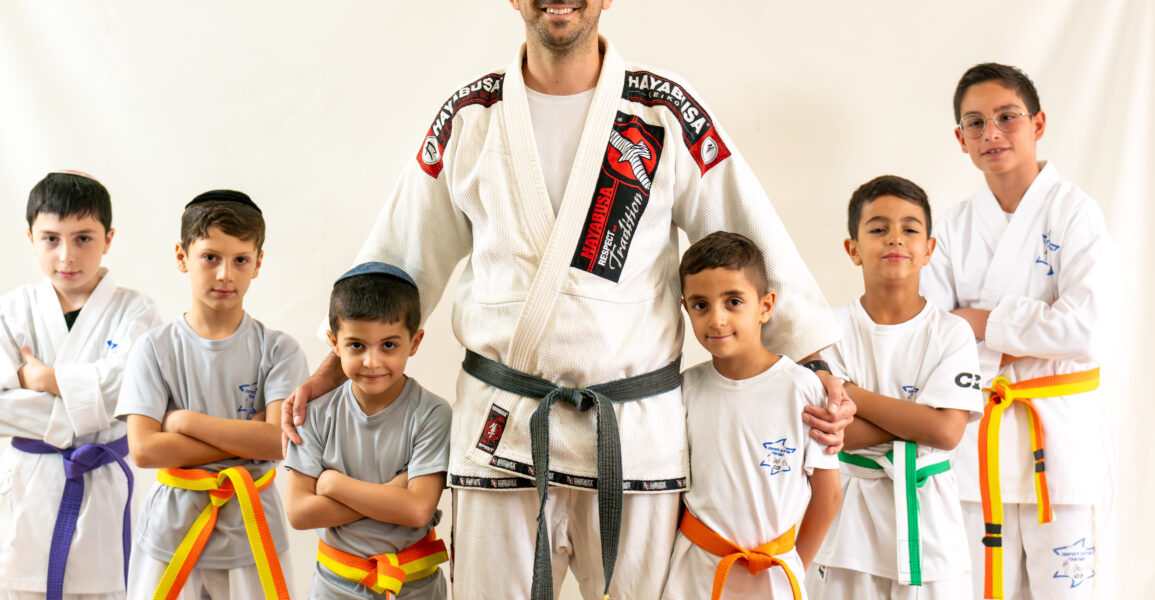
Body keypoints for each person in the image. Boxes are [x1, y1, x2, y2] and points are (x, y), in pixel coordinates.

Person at [282, 2, 853, 597]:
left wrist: (814, 363)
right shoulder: (471, 116)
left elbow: (751, 241)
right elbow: (401, 255)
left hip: (632, 435)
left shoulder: (662, 111)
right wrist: (333, 368)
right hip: (503, 428)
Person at [921, 63, 1114, 599]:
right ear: (960, 138)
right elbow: (933, 339)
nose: (992, 133)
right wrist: (1027, 334)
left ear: (1038, 124)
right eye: (976, 123)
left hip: (1061, 441)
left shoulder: (1076, 213)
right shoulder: (951, 227)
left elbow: (1085, 329)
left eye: (1007, 117)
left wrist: (984, 323)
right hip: (974, 446)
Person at [0, 171, 160, 600]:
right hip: (30, 485)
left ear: (108, 239)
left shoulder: (136, 311)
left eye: (83, 239)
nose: (67, 256)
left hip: (100, 485)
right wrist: (86, 408)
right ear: (30, 238)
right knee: (20, 583)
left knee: (100, 586)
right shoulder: (13, 309)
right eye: (51, 239)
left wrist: (45, 380)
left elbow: (128, 392)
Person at [115, 190, 306, 600]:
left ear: (258, 263)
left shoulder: (279, 350)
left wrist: (185, 423)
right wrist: (248, 438)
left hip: (252, 531)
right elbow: (144, 450)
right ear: (182, 256)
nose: (225, 274)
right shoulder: (154, 349)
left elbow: (279, 442)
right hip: (170, 532)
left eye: (241, 260)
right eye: (210, 257)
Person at [806, 176, 982, 598]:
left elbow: (947, 432)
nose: (895, 239)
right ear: (853, 249)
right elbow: (836, 434)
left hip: (932, 527)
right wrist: (922, 420)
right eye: (879, 228)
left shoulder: (951, 332)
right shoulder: (827, 331)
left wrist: (851, 393)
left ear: (929, 249)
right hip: (849, 528)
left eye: (910, 228)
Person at [661, 232, 841, 600]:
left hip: (776, 577)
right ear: (685, 308)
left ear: (765, 306)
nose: (717, 319)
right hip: (695, 576)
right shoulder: (684, 390)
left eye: (733, 302)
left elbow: (829, 495)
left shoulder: (803, 388)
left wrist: (795, 563)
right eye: (700, 305)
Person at [282, 262, 451, 599]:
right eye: (356, 345)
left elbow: (417, 510)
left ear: (415, 341)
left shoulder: (432, 413)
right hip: (333, 589)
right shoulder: (315, 414)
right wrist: (391, 494)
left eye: (388, 345)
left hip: (414, 590)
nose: (372, 362)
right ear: (334, 342)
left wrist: (333, 484)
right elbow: (299, 513)